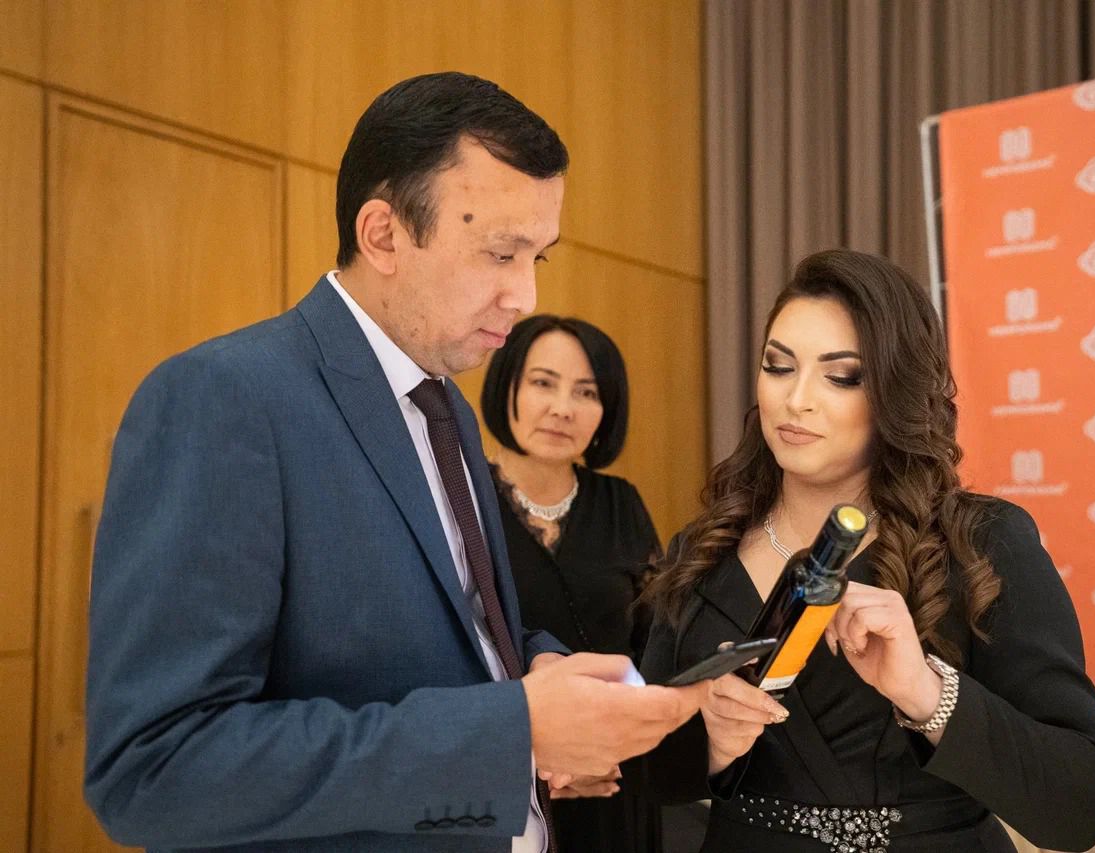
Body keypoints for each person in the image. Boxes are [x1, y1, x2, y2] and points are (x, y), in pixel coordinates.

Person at [82, 71, 702, 853]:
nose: (524, 295)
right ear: (383, 235)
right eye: (500, 253)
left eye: (538, 257)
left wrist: (551, 680)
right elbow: (154, 768)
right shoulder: (226, 398)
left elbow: (463, 633)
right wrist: (512, 734)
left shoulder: (449, 411)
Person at [639, 249, 1095, 852]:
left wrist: (925, 691)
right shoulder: (703, 551)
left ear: (897, 390)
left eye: (842, 377)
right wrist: (710, 740)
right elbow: (645, 773)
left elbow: (1081, 805)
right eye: (778, 366)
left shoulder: (981, 543)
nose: (796, 399)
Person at [481, 314, 665, 853]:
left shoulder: (621, 503)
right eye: (543, 382)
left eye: (586, 392)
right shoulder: (463, 501)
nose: (563, 408)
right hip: (507, 781)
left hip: (616, 779)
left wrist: (612, 750)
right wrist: (544, 761)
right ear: (507, 387)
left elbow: (654, 643)